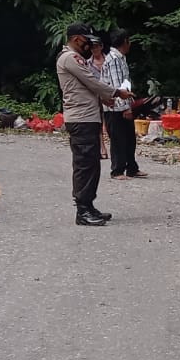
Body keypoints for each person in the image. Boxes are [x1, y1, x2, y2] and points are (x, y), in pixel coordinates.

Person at [56, 23, 133, 226]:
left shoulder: (77, 58)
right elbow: (91, 81)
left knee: (92, 164)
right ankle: (82, 210)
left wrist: (104, 98)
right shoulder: (69, 58)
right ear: (76, 39)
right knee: (84, 165)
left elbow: (87, 87)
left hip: (88, 116)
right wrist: (116, 93)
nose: (89, 44)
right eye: (86, 40)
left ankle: (89, 206)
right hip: (81, 118)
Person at [101, 29, 147, 179]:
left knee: (129, 138)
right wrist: (126, 107)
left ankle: (131, 168)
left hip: (123, 102)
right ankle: (117, 170)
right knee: (118, 139)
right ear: (125, 41)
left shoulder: (121, 58)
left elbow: (124, 82)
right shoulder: (114, 59)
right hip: (115, 107)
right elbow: (117, 85)